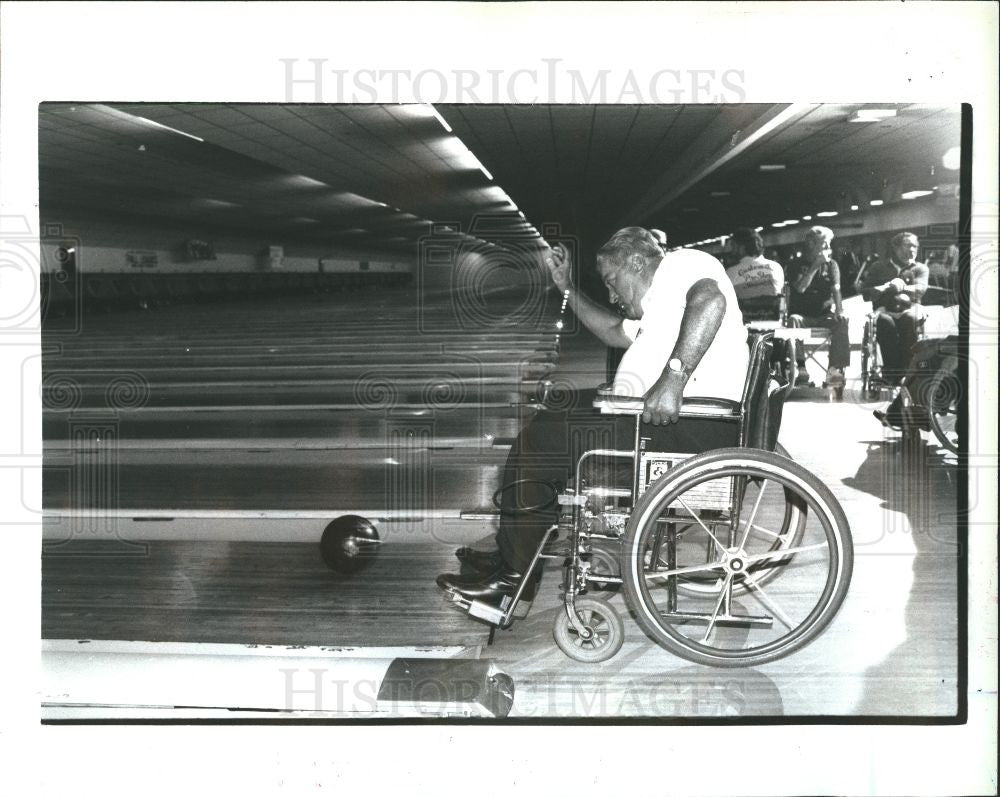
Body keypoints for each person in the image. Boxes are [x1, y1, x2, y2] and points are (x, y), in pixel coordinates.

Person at [437, 227, 749, 616]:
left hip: (684, 423)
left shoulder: (684, 264)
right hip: (657, 420)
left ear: (637, 261)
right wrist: (567, 288)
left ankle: (513, 581)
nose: (612, 294)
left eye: (612, 281)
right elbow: (611, 330)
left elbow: (710, 301)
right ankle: (512, 555)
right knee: (550, 412)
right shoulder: (662, 302)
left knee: (543, 440)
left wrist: (673, 378)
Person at [857, 231, 929, 385]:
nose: (912, 250)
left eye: (915, 247)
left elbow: (921, 289)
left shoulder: (920, 268)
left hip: (910, 309)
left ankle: (905, 372)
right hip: (884, 310)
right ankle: (890, 373)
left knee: (910, 320)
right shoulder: (878, 267)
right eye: (908, 246)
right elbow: (865, 293)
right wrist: (885, 287)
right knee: (885, 323)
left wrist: (900, 287)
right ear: (896, 247)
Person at [787, 225, 849, 389]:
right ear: (811, 244)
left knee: (842, 321)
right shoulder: (795, 264)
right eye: (825, 244)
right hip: (802, 316)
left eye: (829, 244)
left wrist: (839, 310)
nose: (829, 248)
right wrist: (815, 265)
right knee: (793, 320)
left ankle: (835, 370)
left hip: (824, 315)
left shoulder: (832, 264)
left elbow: (836, 288)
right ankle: (800, 368)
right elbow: (800, 288)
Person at [724, 227, 784, 318]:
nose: (732, 250)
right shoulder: (777, 267)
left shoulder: (730, 273)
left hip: (746, 324)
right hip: (774, 322)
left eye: (733, 246)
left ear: (741, 247)